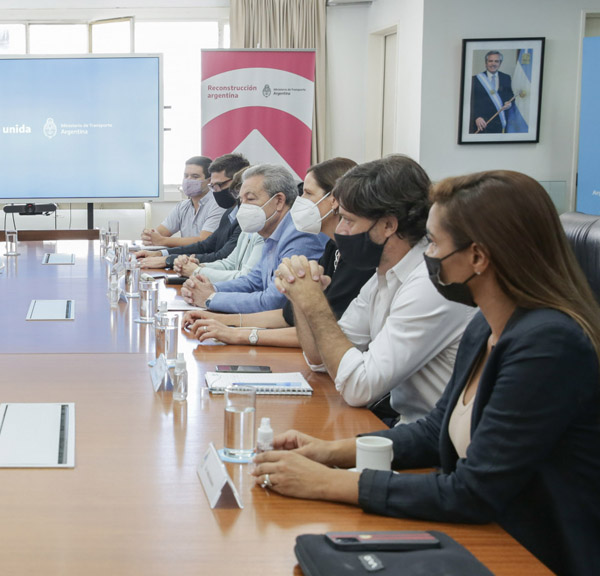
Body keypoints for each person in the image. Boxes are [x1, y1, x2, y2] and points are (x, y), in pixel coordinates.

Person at [252, 170, 600, 576]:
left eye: (434, 243)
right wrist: (328, 452)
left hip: (531, 552)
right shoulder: (485, 325)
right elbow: (436, 431)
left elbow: (472, 492)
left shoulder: (549, 345)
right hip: (484, 533)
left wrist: (326, 482)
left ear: (478, 256)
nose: (426, 255)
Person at [272, 156, 473, 424]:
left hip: (434, 441)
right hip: (408, 429)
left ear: (389, 225)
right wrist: (301, 293)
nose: (340, 230)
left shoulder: (428, 283)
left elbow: (359, 387)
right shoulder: (384, 274)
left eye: (348, 220)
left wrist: (314, 303)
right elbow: (321, 360)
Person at [184, 157, 370, 348]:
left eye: (307, 193)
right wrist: (217, 312)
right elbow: (286, 310)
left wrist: (235, 330)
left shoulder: (305, 235)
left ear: (334, 201)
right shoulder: (332, 247)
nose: (299, 201)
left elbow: (281, 305)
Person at [179, 164, 326, 315]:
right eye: (241, 201)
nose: (243, 208)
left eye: (250, 199)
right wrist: (212, 288)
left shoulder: (299, 234)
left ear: (279, 201)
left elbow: (274, 302)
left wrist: (210, 298)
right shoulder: (270, 231)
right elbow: (253, 281)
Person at [136, 153, 250, 270]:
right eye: (214, 186)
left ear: (238, 183)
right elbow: (204, 246)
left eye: (220, 185)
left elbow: (221, 257)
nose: (217, 191)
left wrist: (168, 260)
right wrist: (161, 254)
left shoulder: (245, 219)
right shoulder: (229, 214)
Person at [140, 156, 225, 248]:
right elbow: (160, 232)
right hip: (184, 258)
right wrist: (149, 235)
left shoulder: (218, 204)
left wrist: (162, 240)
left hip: (207, 260)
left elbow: (204, 240)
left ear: (209, 181)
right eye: (186, 176)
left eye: (195, 176)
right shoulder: (183, 206)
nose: (188, 180)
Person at [470, 50, 515, 134]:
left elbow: (510, 96)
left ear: (500, 63)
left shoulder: (506, 77)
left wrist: (509, 103)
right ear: (486, 63)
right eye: (490, 61)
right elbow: (470, 102)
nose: (493, 64)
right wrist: (476, 117)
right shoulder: (475, 79)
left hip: (499, 122)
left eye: (496, 61)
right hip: (482, 122)